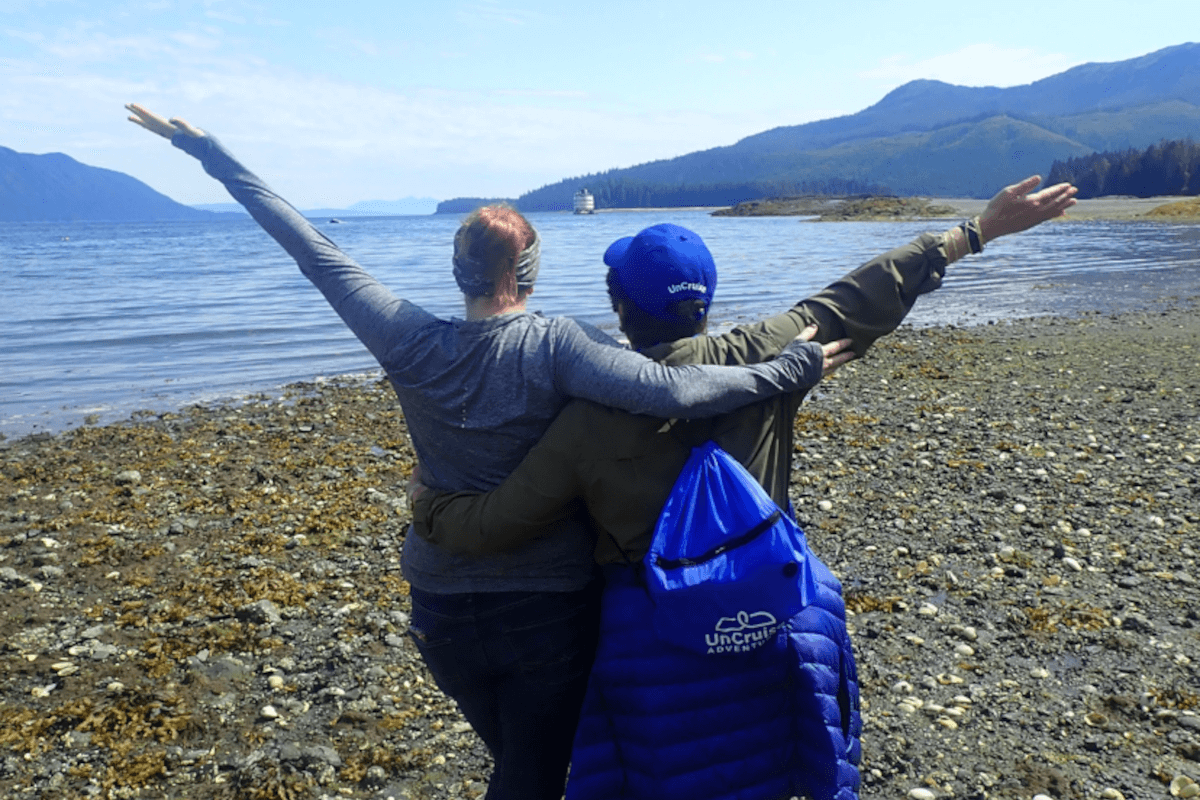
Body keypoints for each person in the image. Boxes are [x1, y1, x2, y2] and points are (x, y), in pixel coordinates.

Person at [125, 103, 835, 800]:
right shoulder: (562, 344)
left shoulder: (405, 339)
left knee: (519, 763)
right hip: (547, 608)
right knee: (531, 773)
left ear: (459, 270)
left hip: (439, 606)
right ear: (527, 272)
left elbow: (313, 250)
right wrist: (788, 371)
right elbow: (676, 392)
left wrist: (211, 155)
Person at [409, 178, 1078, 799]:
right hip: (767, 611)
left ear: (618, 307)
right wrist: (974, 232)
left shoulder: (587, 416)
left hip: (651, 639)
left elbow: (501, 521)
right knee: (769, 763)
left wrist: (429, 508)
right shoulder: (771, 357)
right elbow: (863, 294)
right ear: (705, 302)